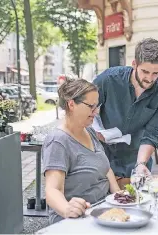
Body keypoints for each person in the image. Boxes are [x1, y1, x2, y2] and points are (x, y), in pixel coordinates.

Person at [93, 38, 158, 187]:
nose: (150, 79)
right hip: (103, 157)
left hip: (136, 161)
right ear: (134, 64)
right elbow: (84, 108)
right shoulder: (109, 79)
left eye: (156, 73)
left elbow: (152, 133)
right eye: (145, 71)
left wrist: (141, 164)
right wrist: (92, 130)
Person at [42, 77, 121, 224]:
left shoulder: (89, 131)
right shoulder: (58, 141)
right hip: (75, 220)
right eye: (91, 106)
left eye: (97, 106)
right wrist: (67, 209)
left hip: (102, 212)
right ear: (71, 104)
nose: (96, 112)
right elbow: (52, 190)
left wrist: (118, 194)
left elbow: (105, 168)